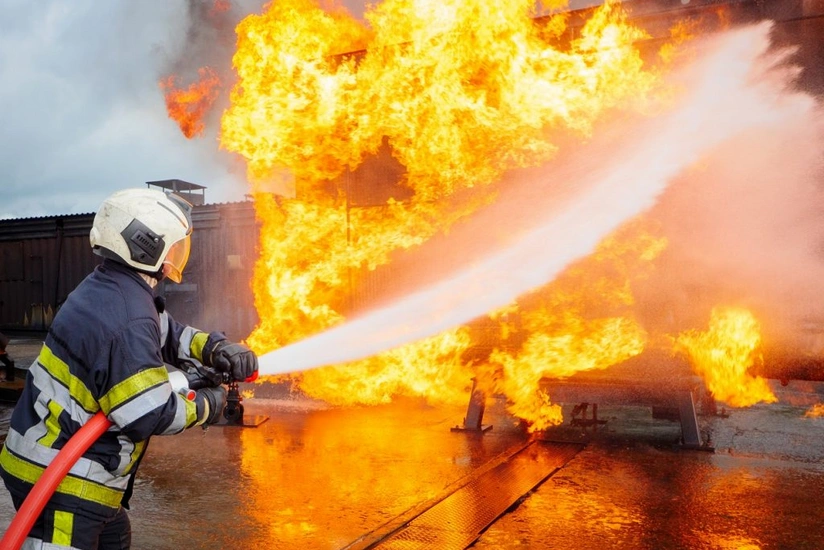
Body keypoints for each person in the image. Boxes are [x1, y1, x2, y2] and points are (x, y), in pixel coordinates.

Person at [0, 188, 259, 549]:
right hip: (64, 482)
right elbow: (149, 413)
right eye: (172, 247)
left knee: (116, 536)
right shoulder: (128, 316)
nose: (176, 257)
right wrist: (208, 405)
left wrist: (217, 348)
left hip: (59, 463)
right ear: (145, 245)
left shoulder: (113, 287)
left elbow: (171, 333)